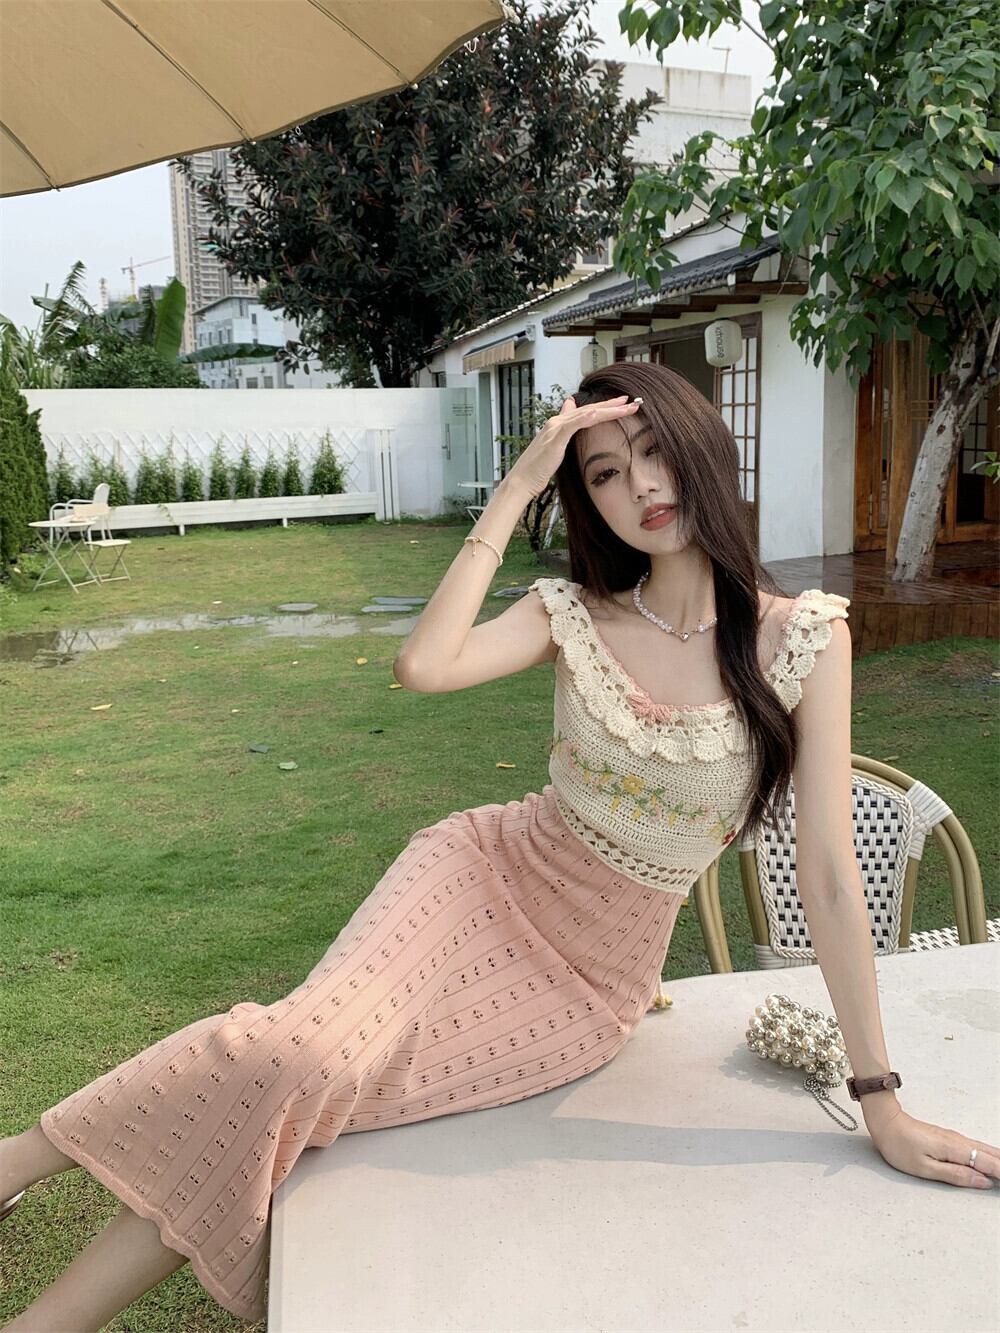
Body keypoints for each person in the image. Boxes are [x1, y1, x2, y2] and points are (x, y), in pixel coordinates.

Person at [2, 363, 996, 1331]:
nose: (641, 486)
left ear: (701, 448)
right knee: (297, 1054)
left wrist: (880, 1102)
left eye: (654, 452)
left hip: (590, 986)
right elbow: (424, 664)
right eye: (604, 472)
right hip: (478, 874)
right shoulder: (573, 613)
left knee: (293, 1096)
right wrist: (519, 485)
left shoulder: (805, 639)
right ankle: (18, 1170)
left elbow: (828, 877)